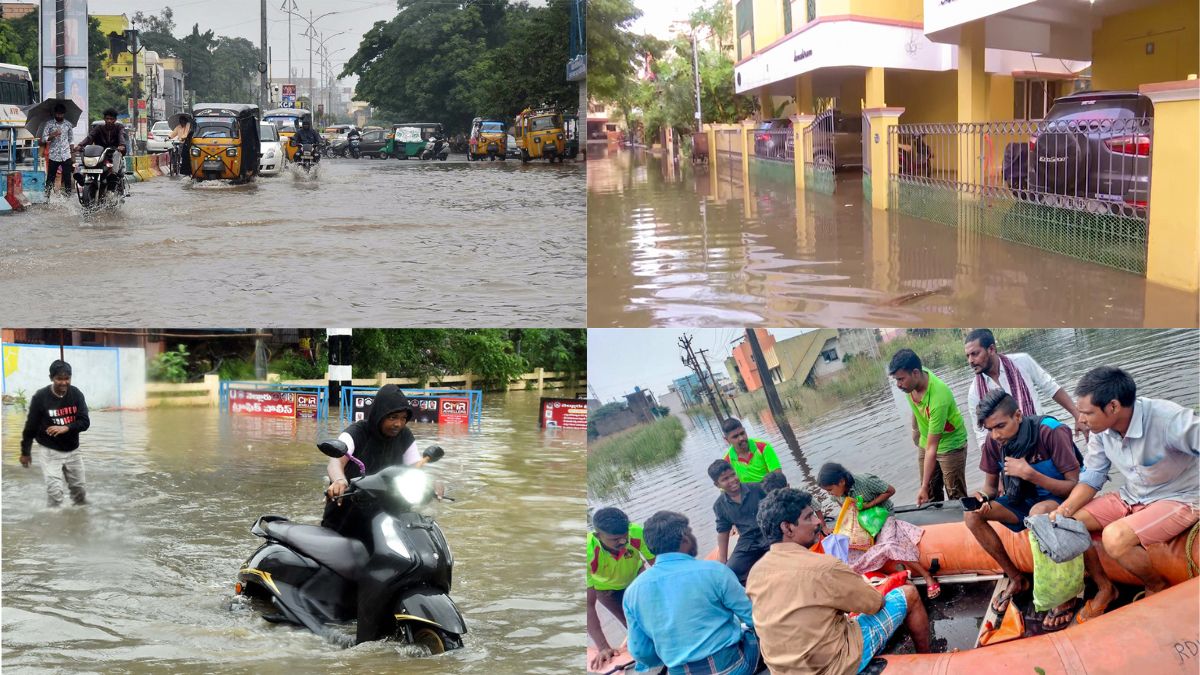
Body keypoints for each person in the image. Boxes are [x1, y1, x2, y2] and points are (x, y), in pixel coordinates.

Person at [1049, 366, 1198, 622]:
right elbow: (1093, 477)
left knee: (1115, 538)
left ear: (1113, 407)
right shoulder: (1100, 431)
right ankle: (1106, 588)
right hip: (1133, 494)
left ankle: (1157, 586)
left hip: (1179, 496)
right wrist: (1064, 510)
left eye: (1086, 413)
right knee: (1066, 526)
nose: (1080, 419)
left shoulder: (1168, 419)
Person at [747, 488, 930, 674]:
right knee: (909, 594)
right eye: (809, 517)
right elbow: (875, 603)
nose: (818, 521)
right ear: (787, 528)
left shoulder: (756, 573)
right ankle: (927, 661)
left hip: (784, 670)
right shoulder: (824, 566)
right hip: (833, 666)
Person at [966, 390, 1082, 630]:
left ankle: (1065, 595)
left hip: (1057, 498)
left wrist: (1030, 474)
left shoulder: (1050, 432)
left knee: (1037, 513)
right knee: (971, 516)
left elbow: (1075, 485)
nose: (995, 435)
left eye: (1000, 426)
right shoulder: (994, 442)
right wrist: (984, 497)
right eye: (989, 429)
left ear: (1018, 415)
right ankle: (1016, 579)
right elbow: (990, 486)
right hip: (1020, 499)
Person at [622, 510, 759, 675]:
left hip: (679, 670)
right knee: (749, 629)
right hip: (732, 668)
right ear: (685, 538)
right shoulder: (715, 571)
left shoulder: (632, 592)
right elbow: (754, 617)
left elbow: (640, 652)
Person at [322, 384, 427, 544]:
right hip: (346, 516)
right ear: (379, 415)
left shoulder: (405, 436)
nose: (399, 423)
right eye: (393, 417)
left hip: (389, 517)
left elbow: (415, 468)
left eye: (403, 418)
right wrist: (339, 480)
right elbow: (335, 462)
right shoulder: (356, 432)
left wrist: (429, 484)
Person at [817, 462, 938, 596]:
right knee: (846, 550)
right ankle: (876, 579)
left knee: (888, 546)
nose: (830, 494)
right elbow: (847, 510)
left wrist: (869, 505)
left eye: (830, 490)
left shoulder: (865, 481)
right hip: (862, 521)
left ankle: (927, 576)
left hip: (883, 515)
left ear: (841, 481)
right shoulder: (836, 495)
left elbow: (891, 490)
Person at [964, 328, 1084, 448]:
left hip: (1039, 435)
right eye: (967, 356)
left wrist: (1077, 415)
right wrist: (994, 462)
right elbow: (981, 433)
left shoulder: (1021, 362)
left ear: (991, 349)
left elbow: (1051, 387)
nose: (970, 361)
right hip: (1009, 449)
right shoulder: (975, 391)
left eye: (975, 354)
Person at [889, 349, 968, 504]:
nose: (898, 385)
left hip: (950, 443)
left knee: (955, 496)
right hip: (927, 438)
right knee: (929, 495)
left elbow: (932, 448)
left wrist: (923, 486)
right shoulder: (911, 383)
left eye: (901, 379)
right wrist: (915, 430)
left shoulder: (939, 397)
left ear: (916, 373)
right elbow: (917, 407)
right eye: (896, 380)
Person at [587, 507, 655, 673]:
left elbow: (659, 565)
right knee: (634, 627)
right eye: (616, 539)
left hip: (637, 578)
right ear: (598, 536)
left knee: (654, 619)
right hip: (608, 591)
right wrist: (603, 646)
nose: (623, 542)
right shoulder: (587, 552)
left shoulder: (637, 533)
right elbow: (588, 605)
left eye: (625, 537)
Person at [19, 360, 91, 507]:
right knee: (55, 494)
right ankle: (54, 524)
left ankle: (78, 523)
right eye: (59, 379)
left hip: (73, 451)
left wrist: (67, 427)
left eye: (67, 378)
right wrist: (25, 452)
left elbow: (85, 422)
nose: (63, 382)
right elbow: (30, 427)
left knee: (80, 494)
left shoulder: (76, 394)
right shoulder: (40, 397)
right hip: (50, 451)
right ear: (51, 378)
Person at [710, 459, 769, 585]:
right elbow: (723, 532)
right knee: (731, 572)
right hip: (747, 541)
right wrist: (722, 560)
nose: (732, 480)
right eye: (725, 479)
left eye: (733, 475)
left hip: (769, 533)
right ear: (717, 484)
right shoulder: (719, 505)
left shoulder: (757, 488)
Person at [75, 108, 128, 193]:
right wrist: (80, 145)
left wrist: (121, 145)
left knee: (117, 153)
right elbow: (90, 137)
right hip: (100, 154)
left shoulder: (119, 127)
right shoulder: (99, 128)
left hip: (113, 152)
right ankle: (81, 174)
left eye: (111, 119)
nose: (109, 121)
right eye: (107, 119)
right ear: (104, 119)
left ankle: (113, 175)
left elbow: (121, 136)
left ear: (115, 120)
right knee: (85, 152)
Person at [721, 418, 781, 484]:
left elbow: (777, 475)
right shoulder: (727, 461)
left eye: (742, 433)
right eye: (735, 437)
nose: (741, 438)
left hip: (769, 488)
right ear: (727, 440)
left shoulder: (763, 447)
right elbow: (726, 488)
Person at [41, 103, 74, 195]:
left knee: (67, 178)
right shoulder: (49, 124)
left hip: (66, 155)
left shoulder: (68, 124)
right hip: (53, 156)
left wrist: (72, 154)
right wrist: (53, 135)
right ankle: (46, 198)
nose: (59, 116)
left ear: (64, 113)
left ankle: (68, 198)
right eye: (58, 114)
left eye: (61, 114)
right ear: (55, 113)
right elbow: (43, 138)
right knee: (50, 179)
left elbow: (71, 140)